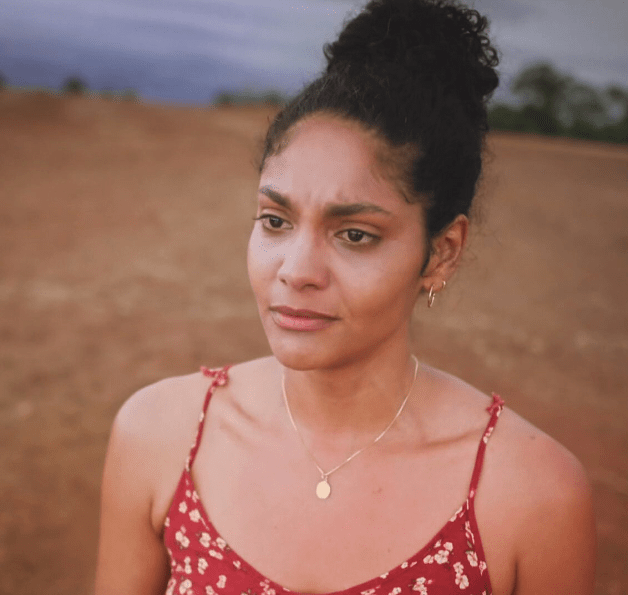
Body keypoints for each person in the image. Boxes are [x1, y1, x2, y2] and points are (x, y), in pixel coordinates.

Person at [93, 0, 597, 593]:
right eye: (275, 221)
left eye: (355, 234)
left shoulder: (529, 492)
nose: (296, 271)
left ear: (441, 252)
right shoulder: (162, 434)